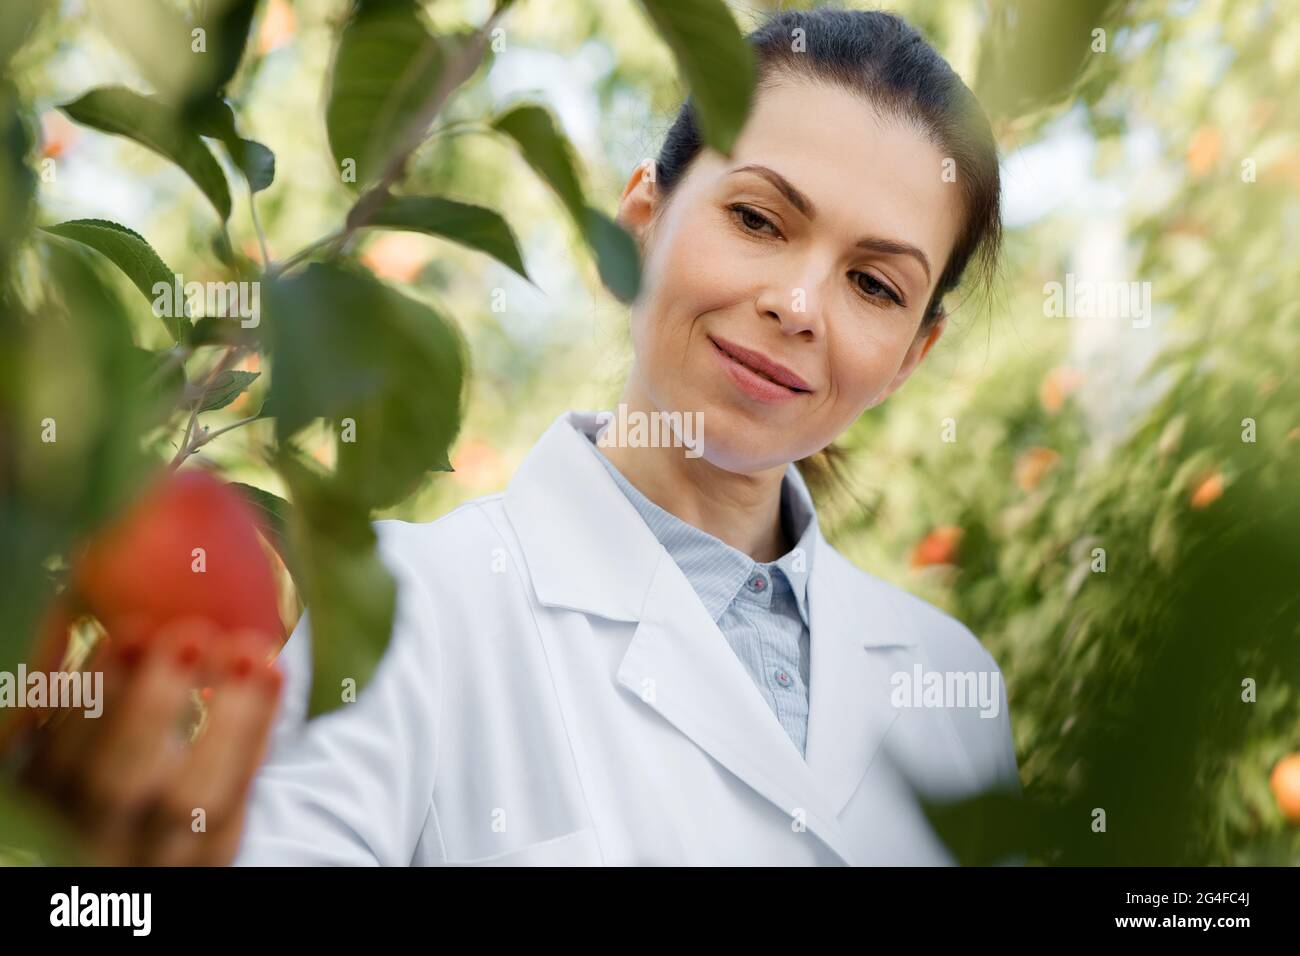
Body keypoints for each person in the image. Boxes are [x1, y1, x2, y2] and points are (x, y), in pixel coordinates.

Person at [11, 7, 1019, 866]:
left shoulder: (951, 683)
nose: (799, 303)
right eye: (757, 220)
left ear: (910, 356)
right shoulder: (409, 611)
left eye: (873, 284)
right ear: (643, 218)